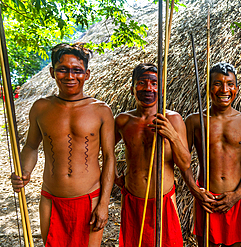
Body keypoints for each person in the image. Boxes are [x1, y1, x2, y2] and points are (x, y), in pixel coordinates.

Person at [11, 43, 115, 247]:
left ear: (87, 74)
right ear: (52, 72)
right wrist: (24, 171)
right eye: (62, 69)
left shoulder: (101, 111)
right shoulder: (41, 108)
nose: (70, 76)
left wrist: (104, 203)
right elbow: (31, 146)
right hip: (51, 199)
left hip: (89, 199)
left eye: (77, 70)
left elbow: (110, 157)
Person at [114, 63, 191, 247]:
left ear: (161, 88)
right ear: (132, 87)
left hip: (163, 201)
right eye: (142, 82)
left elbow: (185, 163)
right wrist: (116, 177)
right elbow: (104, 151)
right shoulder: (123, 120)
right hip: (133, 199)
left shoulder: (173, 119)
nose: (148, 88)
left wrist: (171, 135)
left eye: (154, 83)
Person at [182, 62, 241, 247]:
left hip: (234, 199)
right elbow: (183, 160)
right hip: (205, 198)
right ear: (208, 88)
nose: (224, 89)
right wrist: (195, 190)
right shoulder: (194, 121)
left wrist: (237, 194)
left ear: (236, 88)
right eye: (217, 83)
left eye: (230, 84)